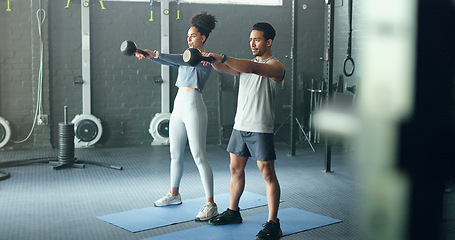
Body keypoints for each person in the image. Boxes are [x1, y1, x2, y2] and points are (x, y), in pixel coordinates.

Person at [203, 22, 285, 240]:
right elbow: (225, 68)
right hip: (240, 126)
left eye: (257, 39)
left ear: (268, 42)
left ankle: (273, 223)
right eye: (250, 39)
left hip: (260, 128)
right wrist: (210, 60)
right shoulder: (245, 65)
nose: (252, 43)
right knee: (234, 169)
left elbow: (252, 68)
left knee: (267, 174)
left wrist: (221, 56)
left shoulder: (276, 66)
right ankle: (233, 211)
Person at [135, 11, 218, 222]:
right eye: (188, 35)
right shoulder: (185, 56)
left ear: (203, 38)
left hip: (194, 108)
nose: (188, 39)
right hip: (179, 106)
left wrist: (154, 53)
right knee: (175, 154)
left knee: (199, 156)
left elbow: (176, 59)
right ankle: (174, 194)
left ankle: (211, 204)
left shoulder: (207, 59)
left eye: (192, 35)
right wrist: (148, 55)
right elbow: (170, 61)